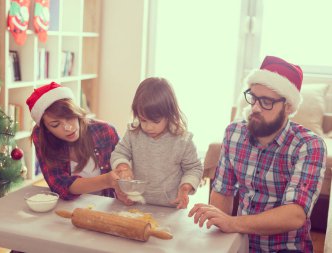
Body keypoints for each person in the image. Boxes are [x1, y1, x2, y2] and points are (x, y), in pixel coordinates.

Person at [188, 56, 327, 252]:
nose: (255, 108)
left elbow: (295, 215)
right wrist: (219, 230)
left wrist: (233, 223)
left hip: (285, 248)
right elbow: (222, 191)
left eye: (266, 102)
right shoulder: (234, 133)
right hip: (239, 243)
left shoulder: (309, 145)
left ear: (288, 107)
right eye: (253, 97)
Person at [25, 82, 129, 203]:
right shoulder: (43, 139)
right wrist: (105, 181)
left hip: (105, 205)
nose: (68, 128)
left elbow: (124, 169)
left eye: (69, 117)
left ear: (77, 112)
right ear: (46, 129)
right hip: (68, 207)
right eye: (55, 124)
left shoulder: (105, 131)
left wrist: (124, 190)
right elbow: (59, 185)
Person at [110, 77, 204, 209]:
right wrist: (123, 167)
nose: (148, 127)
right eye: (143, 120)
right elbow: (119, 153)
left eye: (155, 121)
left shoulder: (182, 140)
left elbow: (194, 168)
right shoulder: (133, 133)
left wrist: (185, 188)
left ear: (169, 114)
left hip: (170, 207)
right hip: (137, 203)